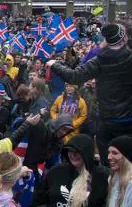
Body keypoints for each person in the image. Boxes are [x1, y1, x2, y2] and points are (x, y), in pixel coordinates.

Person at [47, 23, 132, 163]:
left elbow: (73, 76)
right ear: (124, 40)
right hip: (128, 120)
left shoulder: (99, 61)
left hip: (107, 120)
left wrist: (54, 64)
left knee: (108, 162)